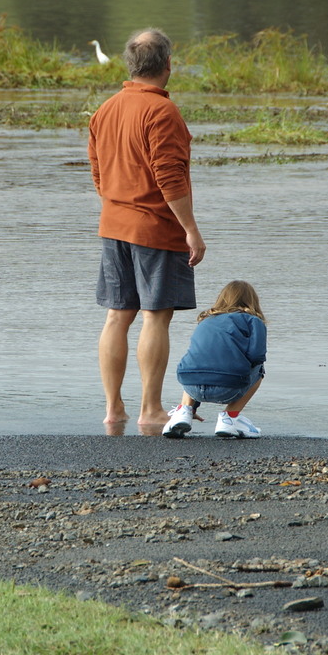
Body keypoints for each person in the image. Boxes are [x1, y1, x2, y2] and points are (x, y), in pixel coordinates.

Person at [88, 28, 206, 430]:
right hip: (155, 228)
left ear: (130, 65)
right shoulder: (162, 112)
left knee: (117, 316)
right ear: (168, 65)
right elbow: (170, 177)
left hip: (113, 224)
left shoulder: (104, 110)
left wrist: (119, 203)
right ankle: (150, 410)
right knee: (156, 316)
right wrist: (190, 228)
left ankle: (112, 409)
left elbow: (99, 174)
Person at [163, 280, 266, 439]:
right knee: (260, 369)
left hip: (190, 385)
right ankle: (229, 417)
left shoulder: (206, 319)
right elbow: (257, 356)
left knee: (197, 362)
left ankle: (184, 411)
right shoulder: (253, 321)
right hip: (228, 387)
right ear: (253, 300)